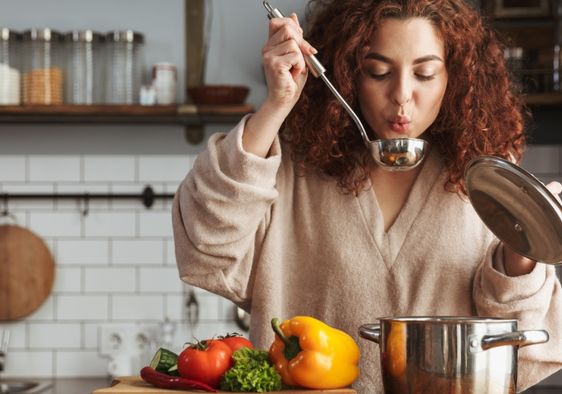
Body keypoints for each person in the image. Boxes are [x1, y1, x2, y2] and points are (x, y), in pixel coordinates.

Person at [172, 0, 562, 391]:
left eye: (425, 74)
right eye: (378, 72)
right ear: (346, 73)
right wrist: (276, 106)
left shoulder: (487, 179)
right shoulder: (291, 166)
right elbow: (206, 245)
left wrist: (524, 245)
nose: (402, 96)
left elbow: (521, 341)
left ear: (454, 77)